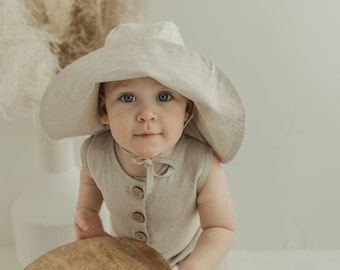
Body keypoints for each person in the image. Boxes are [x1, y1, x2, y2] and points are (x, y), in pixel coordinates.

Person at [40, 20, 245, 270]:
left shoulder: (201, 162)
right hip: (128, 261)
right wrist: (88, 215)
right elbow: (89, 185)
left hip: (190, 259)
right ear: (104, 110)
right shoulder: (96, 152)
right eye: (128, 98)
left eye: (164, 96)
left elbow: (220, 226)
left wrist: (196, 265)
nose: (147, 114)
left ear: (186, 110)